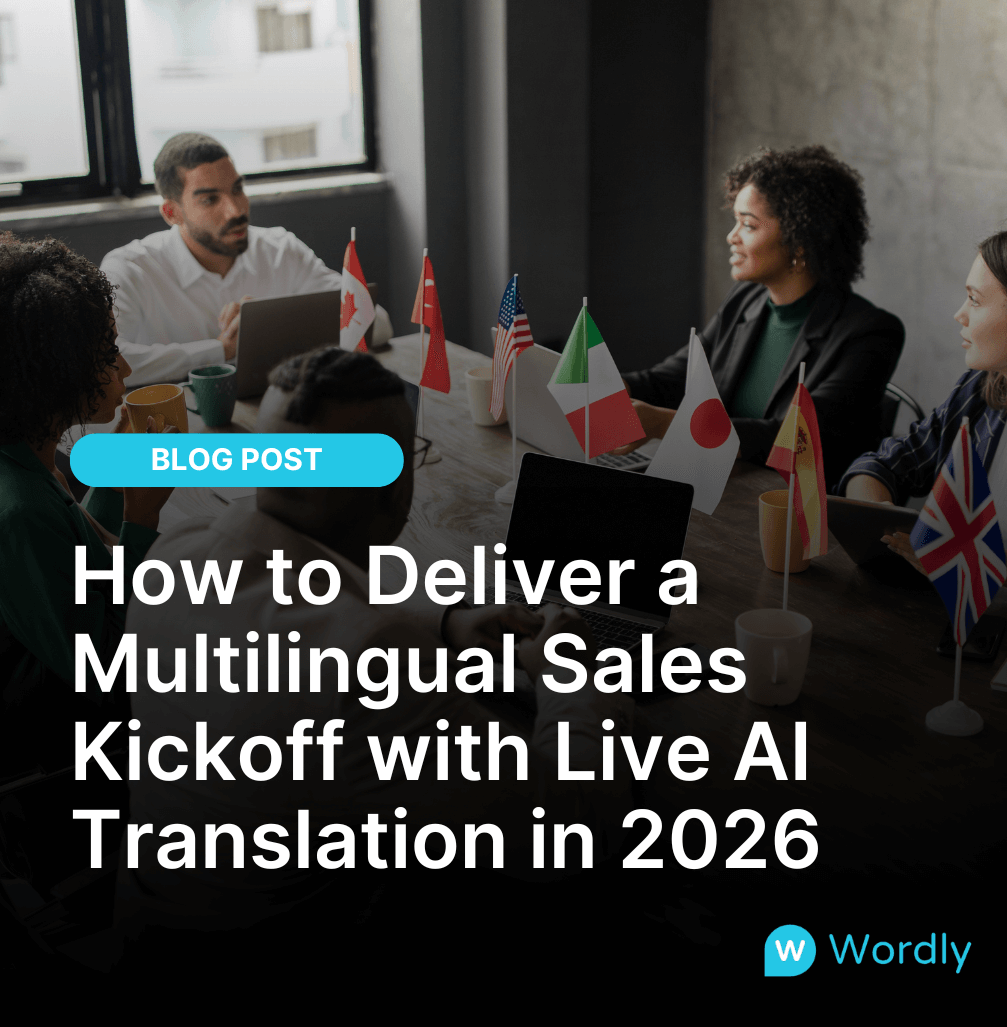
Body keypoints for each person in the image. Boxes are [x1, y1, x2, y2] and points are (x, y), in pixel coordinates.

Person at [119, 347, 629, 958]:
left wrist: (443, 625)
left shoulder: (175, 553)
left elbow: (304, 620)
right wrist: (574, 677)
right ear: (394, 492)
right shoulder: (375, 667)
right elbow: (573, 831)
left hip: (149, 926)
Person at [619, 145, 905, 489]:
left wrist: (668, 425)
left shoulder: (871, 333)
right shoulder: (747, 300)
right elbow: (675, 379)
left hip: (795, 514)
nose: (731, 237)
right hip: (724, 486)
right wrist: (618, 386)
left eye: (748, 225)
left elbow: (795, 439)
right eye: (735, 221)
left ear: (799, 242)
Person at [0, 234, 174, 778]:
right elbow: (103, 669)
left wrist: (114, 479)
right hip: (69, 749)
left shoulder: (26, 453)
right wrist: (143, 519)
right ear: (52, 372)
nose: (124, 369)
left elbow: (82, 555)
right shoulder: (18, 509)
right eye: (105, 354)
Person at [842, 224, 1007, 602]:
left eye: (975, 299)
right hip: (951, 608)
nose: (959, 315)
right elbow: (880, 465)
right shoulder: (979, 391)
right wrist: (879, 516)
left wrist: (977, 560)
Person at [101, 133, 392, 388]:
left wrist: (272, 326)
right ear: (171, 213)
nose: (236, 210)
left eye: (237, 189)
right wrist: (220, 350)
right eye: (210, 199)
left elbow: (376, 322)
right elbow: (107, 364)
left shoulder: (281, 250)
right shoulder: (129, 269)